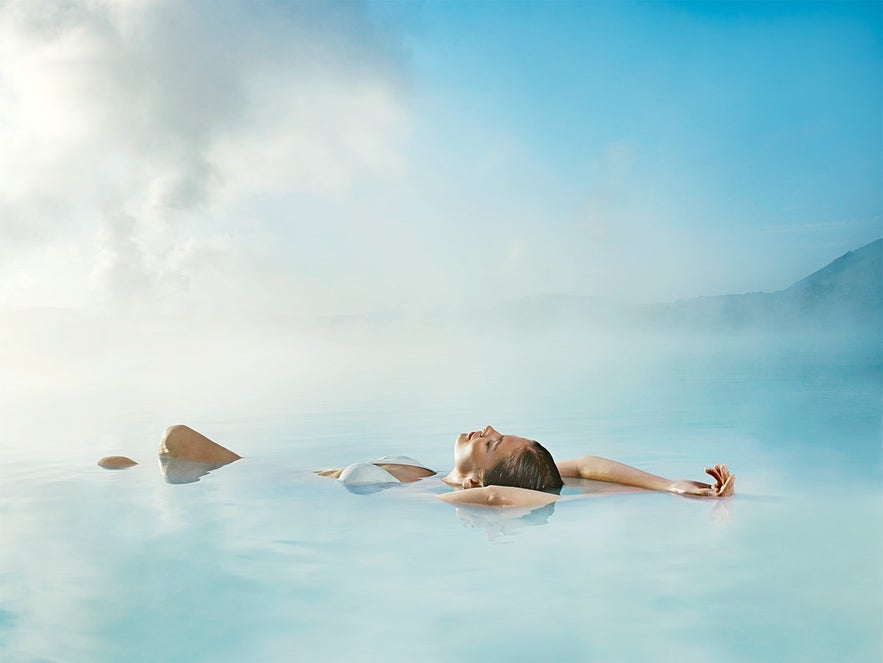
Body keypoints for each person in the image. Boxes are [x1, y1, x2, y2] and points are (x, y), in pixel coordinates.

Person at [321, 424, 736, 507]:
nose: (486, 428)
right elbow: (584, 467)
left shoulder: (434, 496)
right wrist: (667, 485)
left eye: (492, 443)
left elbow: (506, 495)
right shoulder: (427, 474)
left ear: (475, 481)